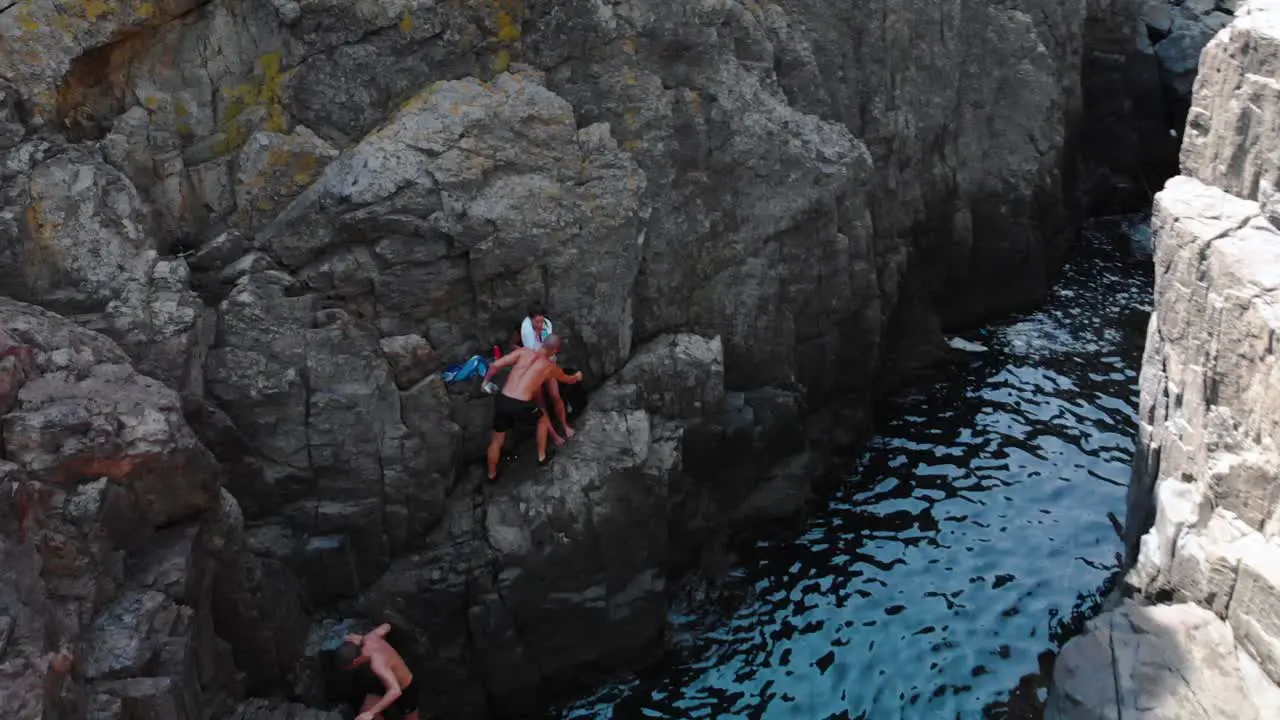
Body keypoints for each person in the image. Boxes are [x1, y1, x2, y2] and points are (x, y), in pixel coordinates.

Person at [481, 334, 584, 482]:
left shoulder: (523, 352)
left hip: (503, 399)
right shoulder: (549, 367)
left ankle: (491, 475)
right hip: (521, 404)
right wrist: (578, 376)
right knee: (542, 419)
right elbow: (568, 379)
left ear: (543, 344)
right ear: (555, 350)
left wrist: (485, 383)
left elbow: (494, 365)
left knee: (497, 439)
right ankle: (541, 457)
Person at [334, 624, 421, 720]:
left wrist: (371, 713)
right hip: (381, 683)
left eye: (348, 667)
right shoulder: (369, 638)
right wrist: (361, 638)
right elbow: (387, 626)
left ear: (355, 661)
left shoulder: (377, 664)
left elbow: (395, 691)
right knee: (365, 710)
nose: (349, 670)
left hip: (404, 687)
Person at [520, 308, 575, 442]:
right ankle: (553, 435)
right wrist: (536, 334)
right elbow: (533, 354)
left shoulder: (547, 324)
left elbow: (550, 346)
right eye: (536, 322)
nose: (539, 325)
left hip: (546, 362)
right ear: (531, 320)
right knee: (540, 402)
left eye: (541, 321)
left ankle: (564, 425)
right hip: (533, 365)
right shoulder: (526, 329)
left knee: (555, 395)